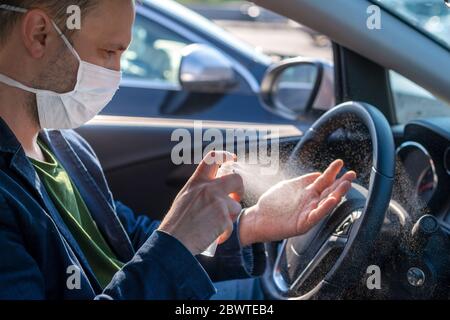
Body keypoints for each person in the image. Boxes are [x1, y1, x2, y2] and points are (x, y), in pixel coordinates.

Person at [0, 0, 356, 300]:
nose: (117, 73)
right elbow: (156, 252)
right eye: (108, 52)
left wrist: (252, 224)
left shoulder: (63, 142)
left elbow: (130, 243)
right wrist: (176, 239)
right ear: (39, 35)